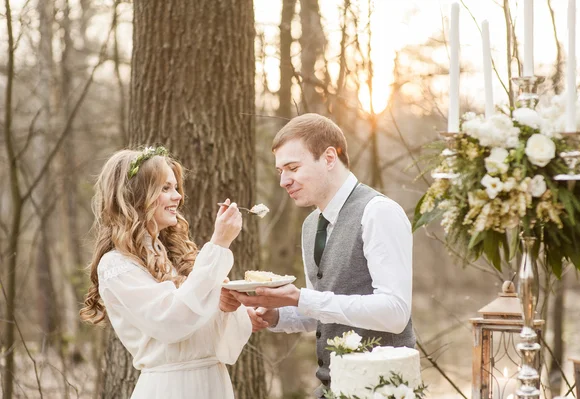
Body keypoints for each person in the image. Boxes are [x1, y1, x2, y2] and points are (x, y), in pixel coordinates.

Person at [231, 114, 416, 396]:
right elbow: (321, 311)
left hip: (382, 388)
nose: (284, 181)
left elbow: (395, 313)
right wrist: (275, 316)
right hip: (329, 388)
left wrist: (300, 297)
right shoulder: (310, 225)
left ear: (329, 158)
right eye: (280, 170)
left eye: (292, 167)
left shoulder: (379, 212)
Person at [80, 147, 250, 399]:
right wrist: (217, 245)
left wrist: (224, 309)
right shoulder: (116, 265)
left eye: (176, 187)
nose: (178, 196)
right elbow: (171, 322)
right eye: (165, 188)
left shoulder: (173, 256)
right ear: (135, 197)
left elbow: (211, 336)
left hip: (214, 384)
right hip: (173, 388)